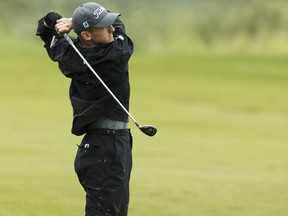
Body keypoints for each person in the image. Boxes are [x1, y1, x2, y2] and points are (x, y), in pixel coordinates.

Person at [36, 2, 133, 216]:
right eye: (104, 27)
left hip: (96, 146)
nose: (112, 29)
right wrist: (73, 21)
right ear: (87, 35)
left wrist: (52, 20)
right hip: (110, 146)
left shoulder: (71, 55)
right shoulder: (118, 52)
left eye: (108, 24)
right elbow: (120, 23)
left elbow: (45, 32)